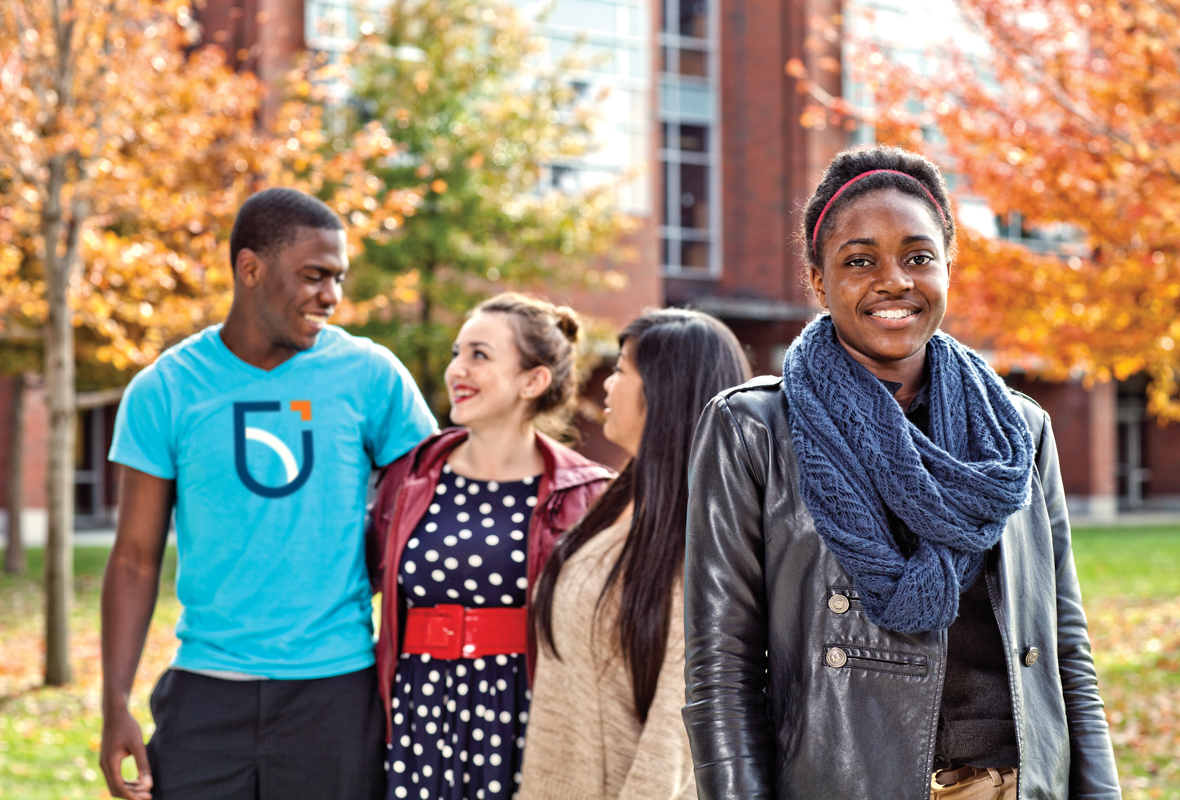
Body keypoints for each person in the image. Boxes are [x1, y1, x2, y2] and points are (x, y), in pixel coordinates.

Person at [682, 146, 1121, 800]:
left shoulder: (1016, 432)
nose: (894, 280)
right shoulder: (755, 430)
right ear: (818, 279)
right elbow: (723, 675)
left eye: (918, 257)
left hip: (1024, 783)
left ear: (948, 268)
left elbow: (1064, 652)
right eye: (860, 260)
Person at [100, 188, 437, 800]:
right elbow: (133, 558)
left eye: (338, 279)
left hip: (335, 690)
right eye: (314, 276)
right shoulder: (167, 388)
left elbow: (430, 508)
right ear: (249, 269)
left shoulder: (371, 375)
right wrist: (114, 701)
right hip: (206, 692)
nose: (331, 297)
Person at [368, 292, 615, 800]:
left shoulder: (588, 494)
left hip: (525, 714)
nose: (457, 368)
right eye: (458, 352)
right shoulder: (410, 475)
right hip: (418, 714)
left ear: (533, 380)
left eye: (479, 355)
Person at [520, 309, 751, 800]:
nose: (607, 384)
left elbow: (676, 739)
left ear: (665, 390)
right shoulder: (620, 500)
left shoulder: (705, 541)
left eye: (622, 369)